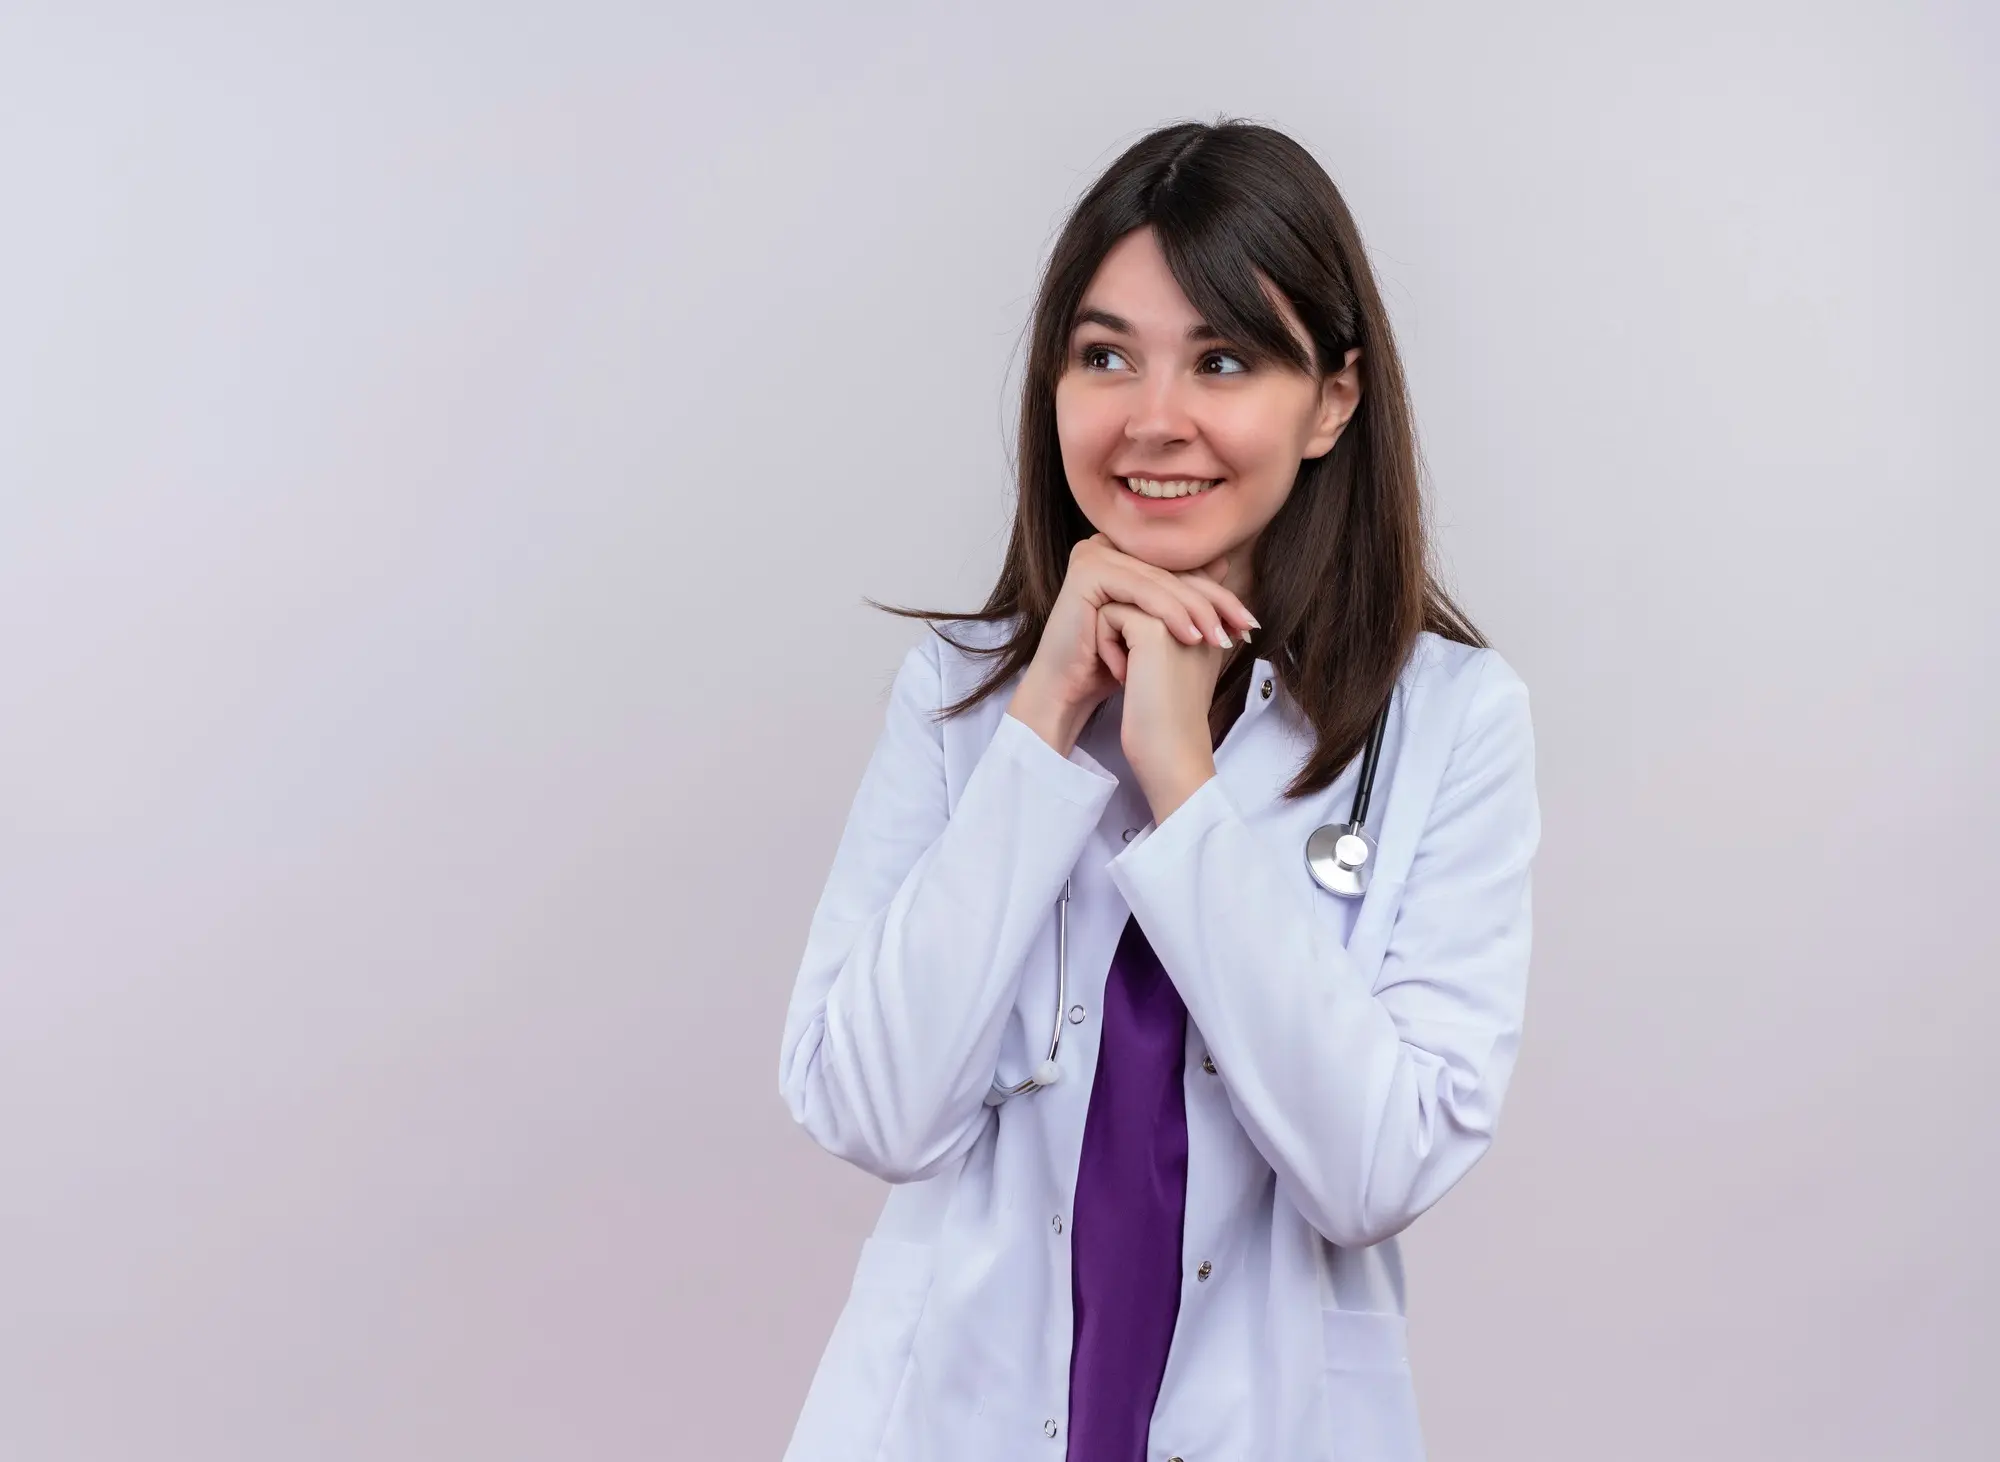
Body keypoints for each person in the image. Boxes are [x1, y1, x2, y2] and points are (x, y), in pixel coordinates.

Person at [775, 117, 1541, 1462]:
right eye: (1105, 354)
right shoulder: (960, 696)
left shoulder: (1452, 723)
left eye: (1225, 359)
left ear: (1333, 399)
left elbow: (1374, 1168)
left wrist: (1180, 782)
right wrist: (1041, 730)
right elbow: (867, 1105)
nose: (1154, 418)